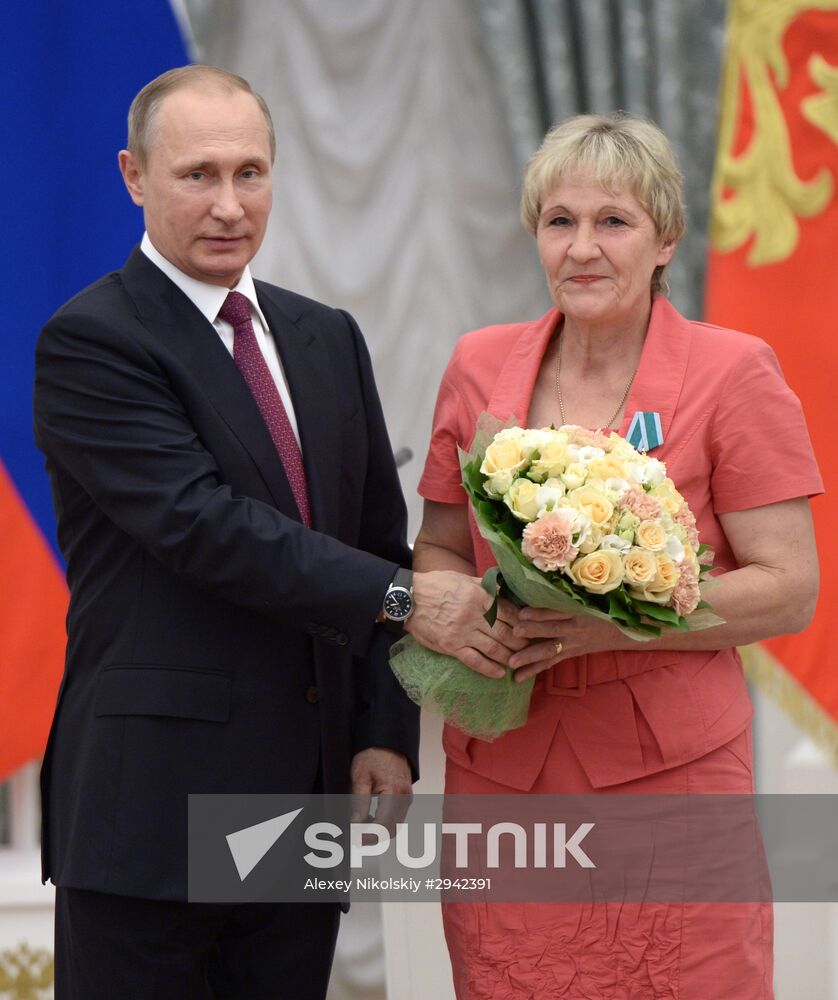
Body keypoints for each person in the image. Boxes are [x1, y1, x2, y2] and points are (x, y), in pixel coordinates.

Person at [33, 65, 540, 1000]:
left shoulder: (325, 337)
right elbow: (206, 528)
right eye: (198, 176)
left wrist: (382, 731)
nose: (229, 205)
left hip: (296, 814)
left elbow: (377, 535)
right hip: (151, 814)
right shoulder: (92, 339)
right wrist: (402, 601)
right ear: (133, 176)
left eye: (251, 173)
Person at [414, 113, 822, 1000]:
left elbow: (791, 589)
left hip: (670, 778)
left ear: (666, 237)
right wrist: (458, 616)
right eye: (560, 222)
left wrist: (615, 626)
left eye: (614, 222)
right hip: (504, 775)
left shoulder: (734, 371)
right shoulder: (476, 365)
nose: (583, 248)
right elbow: (441, 546)